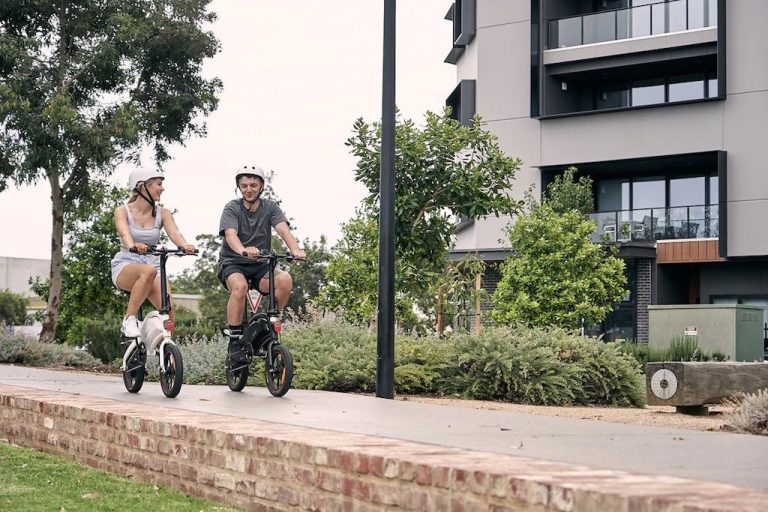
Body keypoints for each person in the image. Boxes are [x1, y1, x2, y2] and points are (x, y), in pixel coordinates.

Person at [218, 165, 306, 363]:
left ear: (262, 186)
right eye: (244, 186)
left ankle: (267, 324)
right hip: (233, 262)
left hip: (260, 264)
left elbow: (283, 230)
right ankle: (234, 340)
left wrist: (295, 250)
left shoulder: (270, 207)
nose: (248, 189)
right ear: (239, 187)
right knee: (239, 287)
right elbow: (231, 235)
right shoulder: (232, 207)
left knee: (284, 280)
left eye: (253, 185)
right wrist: (243, 250)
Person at [111, 169, 196, 338]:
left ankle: (166, 351)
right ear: (143, 186)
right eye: (158, 184)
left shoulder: (163, 213)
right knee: (148, 271)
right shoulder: (122, 211)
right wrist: (132, 246)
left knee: (168, 312)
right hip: (127, 263)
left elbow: (175, 233)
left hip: (153, 265)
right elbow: (124, 234)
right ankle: (129, 319)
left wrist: (184, 245)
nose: (162, 188)